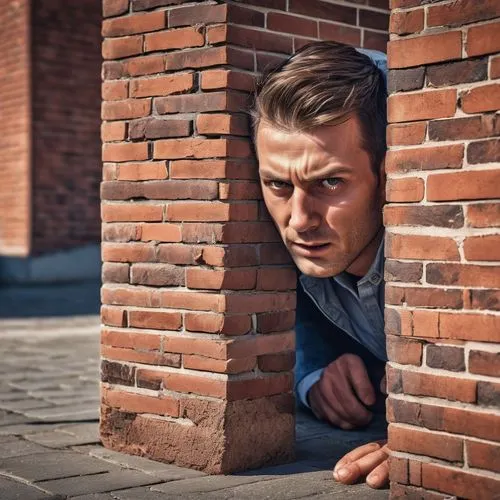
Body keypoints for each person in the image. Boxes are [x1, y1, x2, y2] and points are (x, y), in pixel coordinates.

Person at [252, 41, 390, 489]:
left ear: (389, 176)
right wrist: (312, 373)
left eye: (330, 181)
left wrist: (451, 430)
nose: (299, 220)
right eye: (277, 184)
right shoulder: (272, 253)